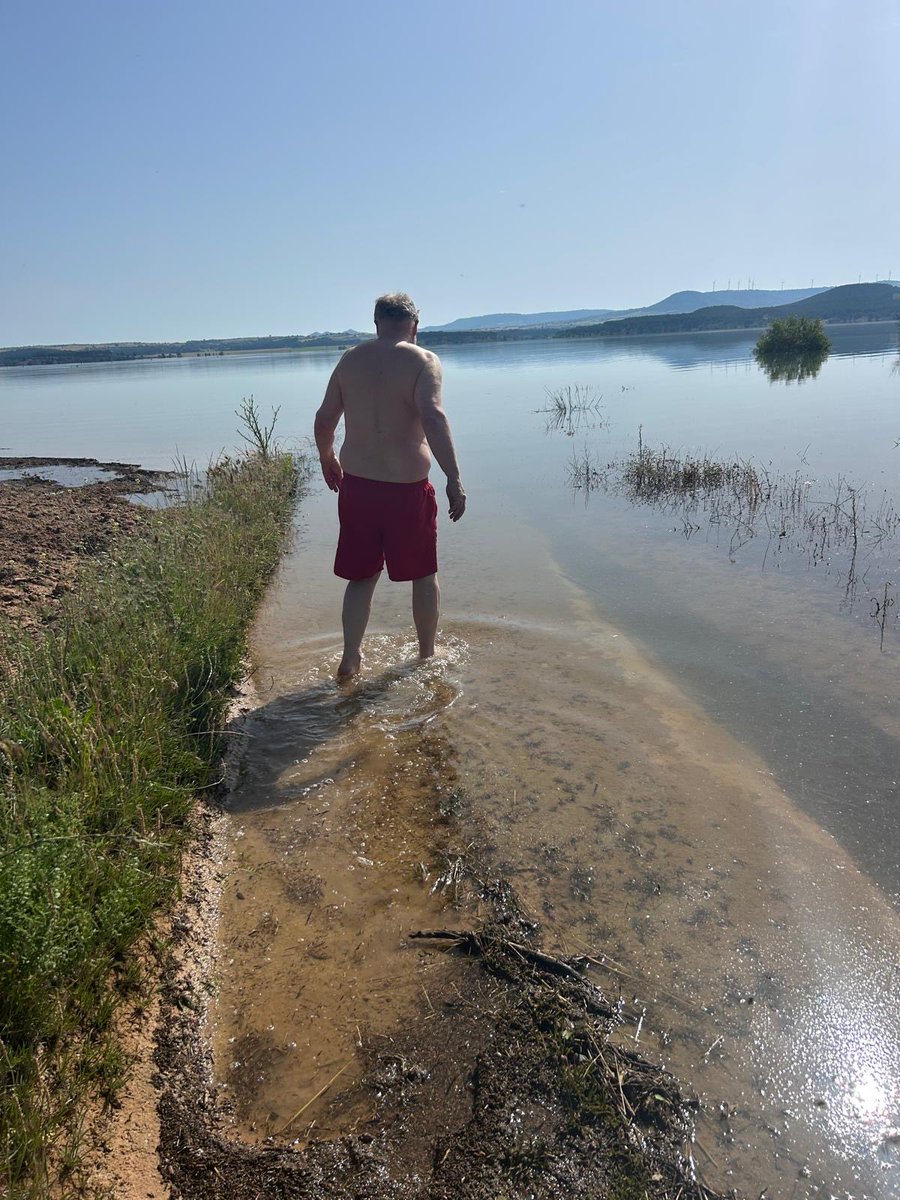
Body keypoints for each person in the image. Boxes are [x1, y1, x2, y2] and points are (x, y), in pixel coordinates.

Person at [314, 292, 466, 680]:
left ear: (377, 322)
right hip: (406, 489)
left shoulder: (351, 359)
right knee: (423, 574)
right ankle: (427, 656)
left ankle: (351, 656)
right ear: (414, 326)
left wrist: (326, 458)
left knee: (361, 576)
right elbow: (433, 416)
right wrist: (453, 477)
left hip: (358, 486)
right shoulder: (423, 360)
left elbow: (325, 417)